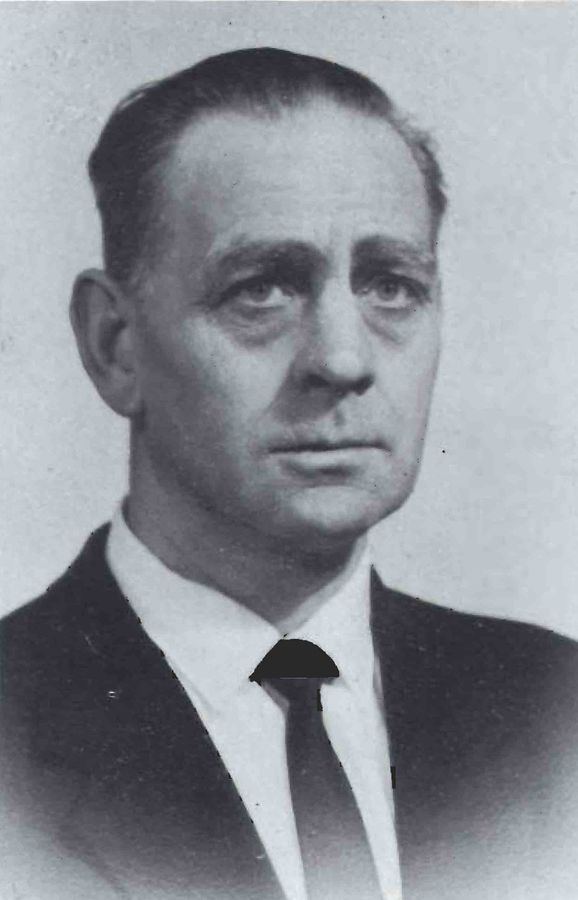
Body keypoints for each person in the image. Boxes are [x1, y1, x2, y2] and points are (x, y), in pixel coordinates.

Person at [1, 47, 577, 900]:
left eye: (390, 285)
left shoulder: (556, 716)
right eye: (262, 289)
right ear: (115, 346)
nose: (344, 359)